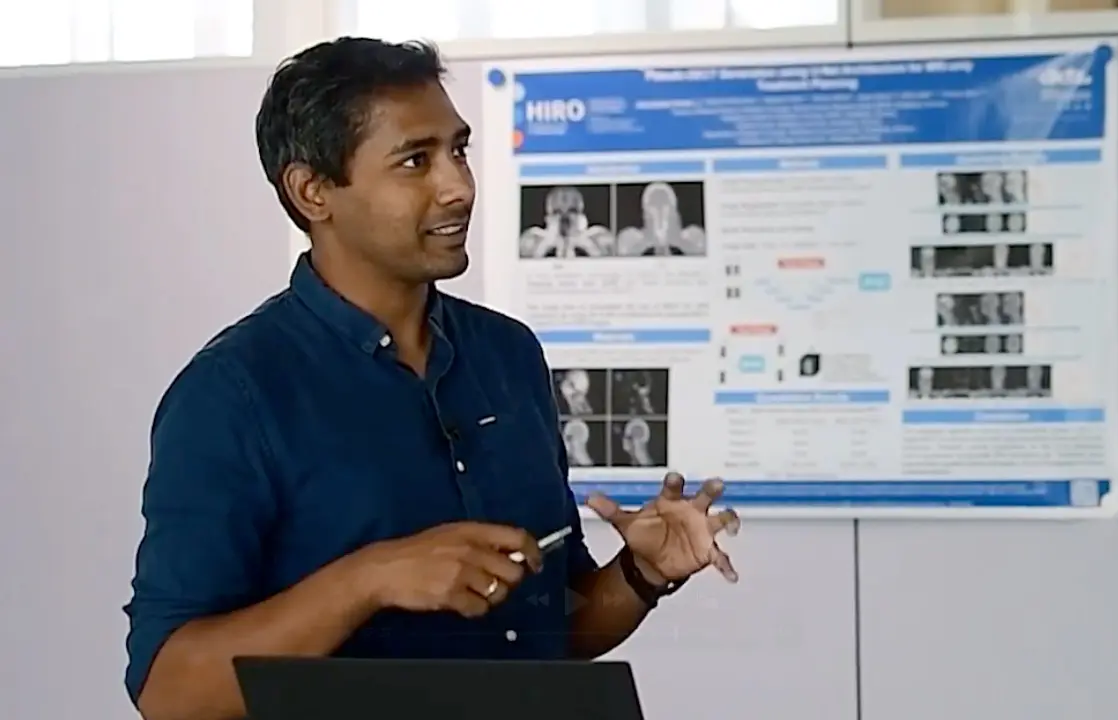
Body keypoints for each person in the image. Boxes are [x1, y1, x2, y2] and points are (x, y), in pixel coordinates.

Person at [123, 38, 741, 720]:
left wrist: (641, 572)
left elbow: (548, 631)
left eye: (459, 151)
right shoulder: (232, 394)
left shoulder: (508, 356)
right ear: (312, 191)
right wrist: (368, 579)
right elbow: (170, 689)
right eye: (415, 161)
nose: (459, 187)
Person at [518, 186, 614, 258]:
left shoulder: (598, 237)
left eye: (572, 211)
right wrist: (547, 242)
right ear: (548, 216)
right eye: (557, 212)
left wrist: (586, 243)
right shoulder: (534, 238)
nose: (565, 218)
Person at [617, 182, 706, 256]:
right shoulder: (630, 240)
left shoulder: (695, 237)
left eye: (664, 206)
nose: (659, 212)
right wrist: (646, 240)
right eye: (653, 206)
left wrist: (677, 239)